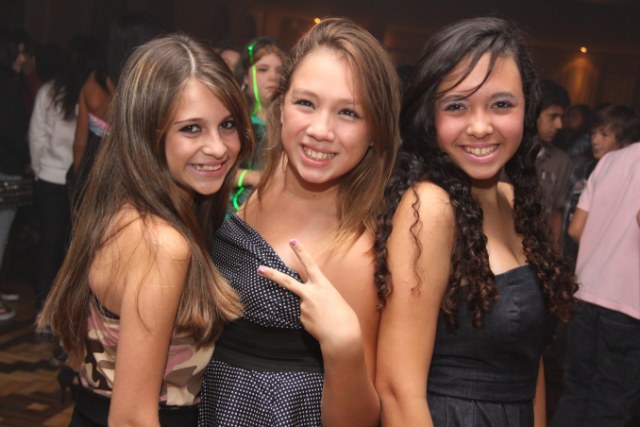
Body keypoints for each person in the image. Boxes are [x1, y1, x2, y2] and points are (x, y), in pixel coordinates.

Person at [37, 33, 253, 426]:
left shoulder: (126, 208)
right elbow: (132, 417)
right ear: (147, 133)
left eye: (227, 125)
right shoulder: (162, 243)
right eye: (191, 129)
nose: (219, 147)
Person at [374, 17, 576, 426]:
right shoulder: (430, 208)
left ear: (527, 109)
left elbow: (529, 361)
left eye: (501, 104)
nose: (481, 127)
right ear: (430, 116)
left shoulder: (513, 200)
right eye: (456, 106)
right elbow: (397, 389)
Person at [198, 17, 400, 427]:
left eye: (348, 113)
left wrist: (344, 347)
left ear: (375, 131)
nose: (320, 130)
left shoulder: (353, 253)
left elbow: (357, 421)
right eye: (306, 103)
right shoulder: (251, 189)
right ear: (280, 106)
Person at [551, 141, 640, 427]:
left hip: (587, 292)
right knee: (611, 404)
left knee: (575, 392)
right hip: (629, 304)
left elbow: (576, 228)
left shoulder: (612, 160)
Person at [70, 12, 162, 208]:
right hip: (132, 180)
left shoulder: (93, 82)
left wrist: (78, 183)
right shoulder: (149, 89)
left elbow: (79, 141)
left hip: (93, 176)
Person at [28, 44, 90, 312]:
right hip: (78, 181)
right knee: (72, 248)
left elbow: (37, 136)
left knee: (48, 245)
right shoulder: (92, 94)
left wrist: (38, 168)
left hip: (50, 178)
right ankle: (63, 307)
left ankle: (43, 304)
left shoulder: (49, 91)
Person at [561, 104, 640, 267]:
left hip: (598, 264)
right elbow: (567, 220)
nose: (595, 140)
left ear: (625, 141)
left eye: (604, 135)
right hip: (570, 257)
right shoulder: (581, 170)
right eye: (593, 133)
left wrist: (599, 253)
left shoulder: (627, 179)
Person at [227, 36, 286, 214]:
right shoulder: (233, 121)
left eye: (279, 71)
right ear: (245, 77)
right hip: (232, 215)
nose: (273, 77)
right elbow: (211, 172)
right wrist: (252, 176)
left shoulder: (289, 123)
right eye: (263, 70)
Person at [0, 28, 31, 320]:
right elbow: (10, 133)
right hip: (6, 172)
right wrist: (28, 158)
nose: (23, 58)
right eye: (19, 52)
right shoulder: (7, 88)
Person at [535, 79, 572, 248]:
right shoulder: (507, 154)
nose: (559, 125)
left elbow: (556, 212)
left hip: (539, 247)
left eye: (561, 117)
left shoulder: (561, 161)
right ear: (533, 114)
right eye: (552, 117)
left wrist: (556, 252)